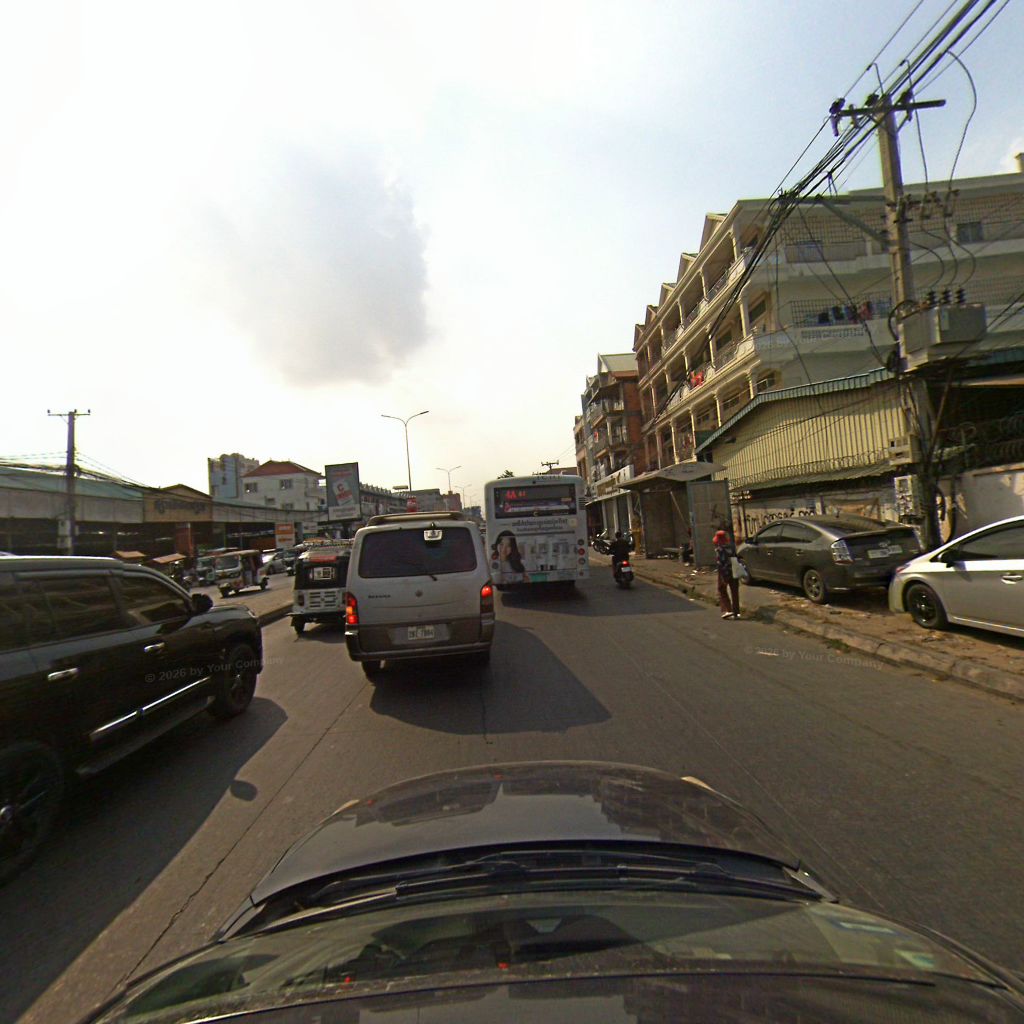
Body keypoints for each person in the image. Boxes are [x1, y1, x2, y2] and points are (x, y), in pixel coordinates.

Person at [713, 528, 741, 619]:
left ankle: (728, 610)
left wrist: (724, 577)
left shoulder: (720, 550)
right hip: (734, 570)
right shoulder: (732, 547)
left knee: (721, 589)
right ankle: (736, 612)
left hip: (724, 572)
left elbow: (721, 564)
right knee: (734, 591)